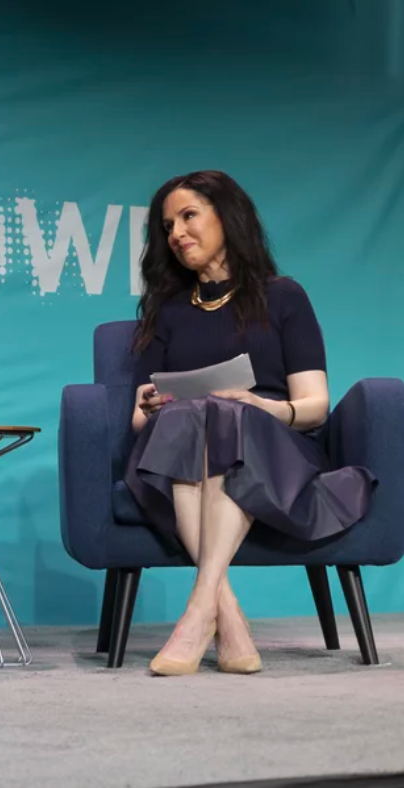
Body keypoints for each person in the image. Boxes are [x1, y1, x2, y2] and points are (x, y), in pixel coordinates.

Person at [124, 170, 376, 677]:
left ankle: (200, 613)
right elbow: (137, 418)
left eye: (188, 216)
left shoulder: (283, 296)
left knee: (226, 416)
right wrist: (148, 407)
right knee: (191, 416)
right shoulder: (166, 312)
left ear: (227, 216)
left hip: (277, 449)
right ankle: (225, 616)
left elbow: (314, 405)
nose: (176, 233)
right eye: (168, 226)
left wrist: (264, 407)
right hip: (181, 451)